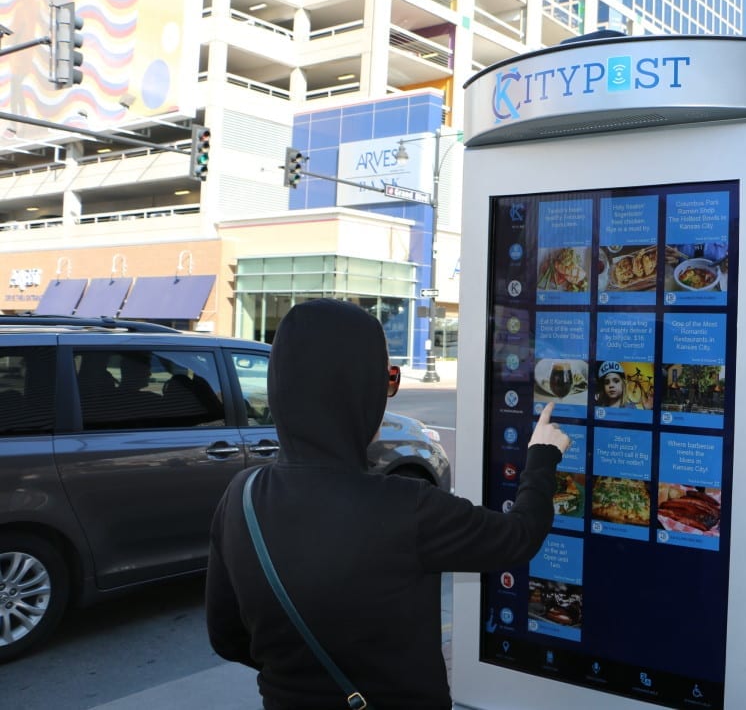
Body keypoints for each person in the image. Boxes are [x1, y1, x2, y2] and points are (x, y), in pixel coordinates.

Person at [205, 298, 570, 709]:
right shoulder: (405, 509)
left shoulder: (243, 494)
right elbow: (518, 536)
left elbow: (227, 636)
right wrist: (541, 455)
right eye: (387, 380)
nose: (388, 394)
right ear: (360, 391)